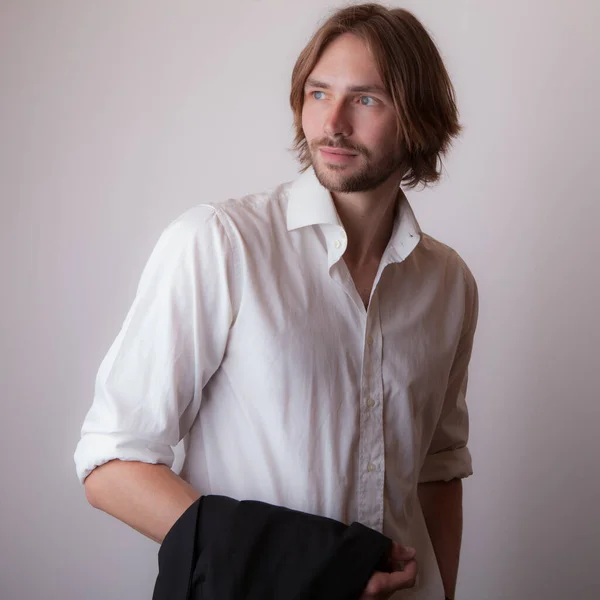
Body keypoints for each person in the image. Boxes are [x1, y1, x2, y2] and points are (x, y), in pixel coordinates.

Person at [74, 4, 479, 599]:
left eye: (366, 99)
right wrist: (302, 561)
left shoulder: (449, 282)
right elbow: (112, 466)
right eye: (319, 93)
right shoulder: (220, 243)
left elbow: (439, 470)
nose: (333, 123)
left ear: (418, 118)